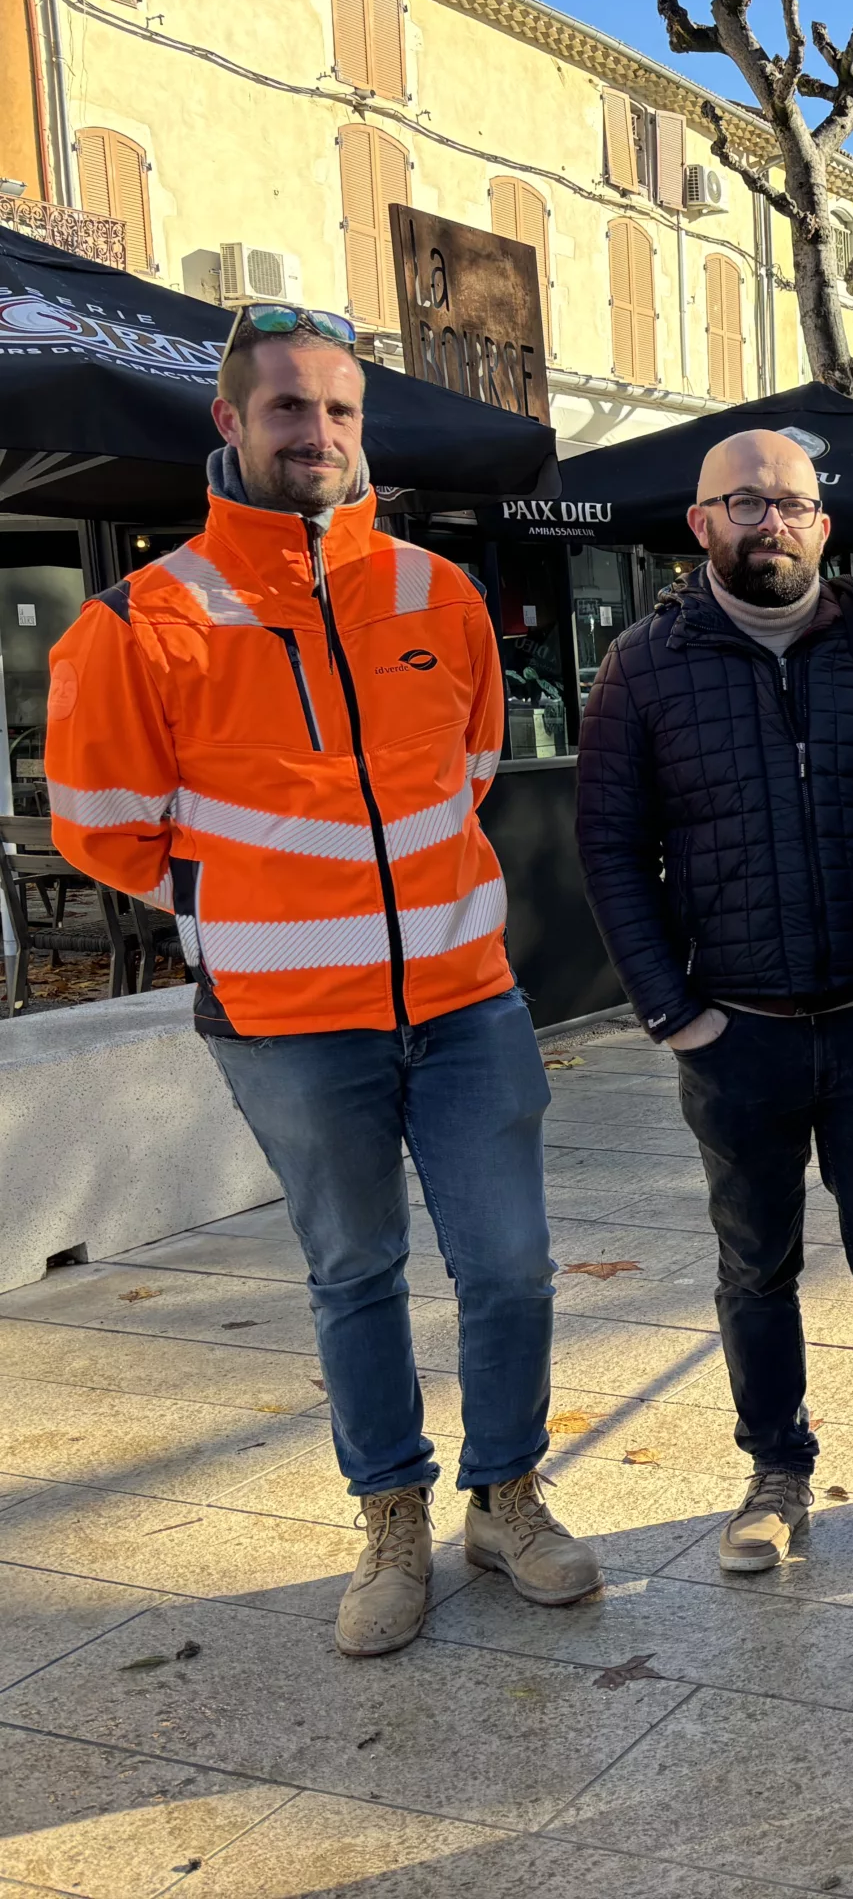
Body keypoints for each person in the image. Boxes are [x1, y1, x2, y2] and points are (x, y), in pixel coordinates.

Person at [44, 305, 597, 1657]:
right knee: (355, 1272)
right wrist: (256, 894)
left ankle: (505, 1495)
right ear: (229, 423)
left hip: (463, 996)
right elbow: (100, 824)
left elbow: (466, 769)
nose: (320, 433)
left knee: (512, 1268)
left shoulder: (437, 593)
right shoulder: (141, 619)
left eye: (341, 411)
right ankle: (391, 1517)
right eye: (289, 407)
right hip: (288, 1021)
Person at [576, 430, 853, 1571]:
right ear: (700, 523)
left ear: (825, 524)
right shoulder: (643, 666)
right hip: (736, 1035)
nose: (772, 522)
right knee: (753, 1265)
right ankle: (775, 1471)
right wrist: (672, 1010)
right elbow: (611, 846)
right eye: (744, 502)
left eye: (793, 504)